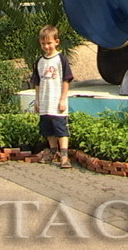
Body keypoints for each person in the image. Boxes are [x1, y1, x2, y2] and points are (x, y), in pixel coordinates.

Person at [30, 25, 74, 168]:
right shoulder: (40, 61)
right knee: (47, 129)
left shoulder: (61, 59)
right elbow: (37, 82)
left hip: (57, 101)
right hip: (44, 102)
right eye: (43, 43)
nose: (46, 46)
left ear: (56, 42)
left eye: (49, 43)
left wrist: (63, 99)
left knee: (60, 128)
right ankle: (53, 151)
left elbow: (66, 79)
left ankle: (64, 155)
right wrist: (37, 101)